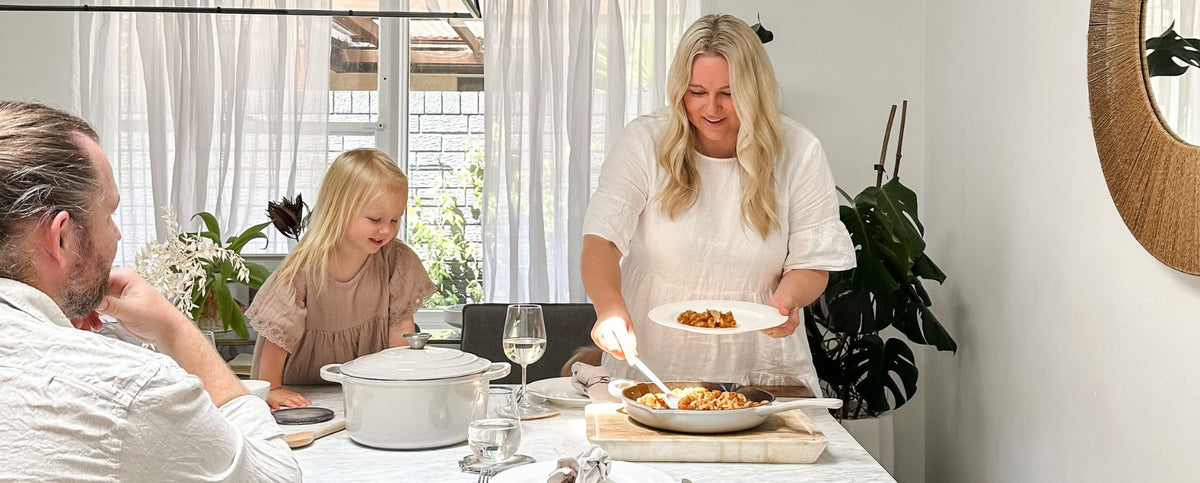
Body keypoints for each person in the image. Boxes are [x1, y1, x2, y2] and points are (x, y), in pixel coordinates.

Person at [0, 101, 301, 480]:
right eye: (109, 214)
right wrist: (173, 330)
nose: (118, 234)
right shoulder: (132, 389)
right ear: (61, 239)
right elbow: (275, 477)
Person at [580, 14, 857, 396]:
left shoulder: (799, 150)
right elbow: (601, 242)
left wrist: (788, 298)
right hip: (654, 363)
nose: (711, 109)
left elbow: (811, 263)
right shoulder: (644, 142)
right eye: (696, 92)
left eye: (728, 93)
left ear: (754, 91)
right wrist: (609, 309)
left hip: (763, 362)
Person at [248, 148, 436, 409]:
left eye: (395, 219)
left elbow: (400, 330)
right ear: (338, 209)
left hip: (368, 388)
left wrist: (398, 382)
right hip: (304, 392)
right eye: (374, 219)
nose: (386, 229)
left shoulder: (396, 261)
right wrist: (273, 388)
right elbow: (276, 335)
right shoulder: (303, 268)